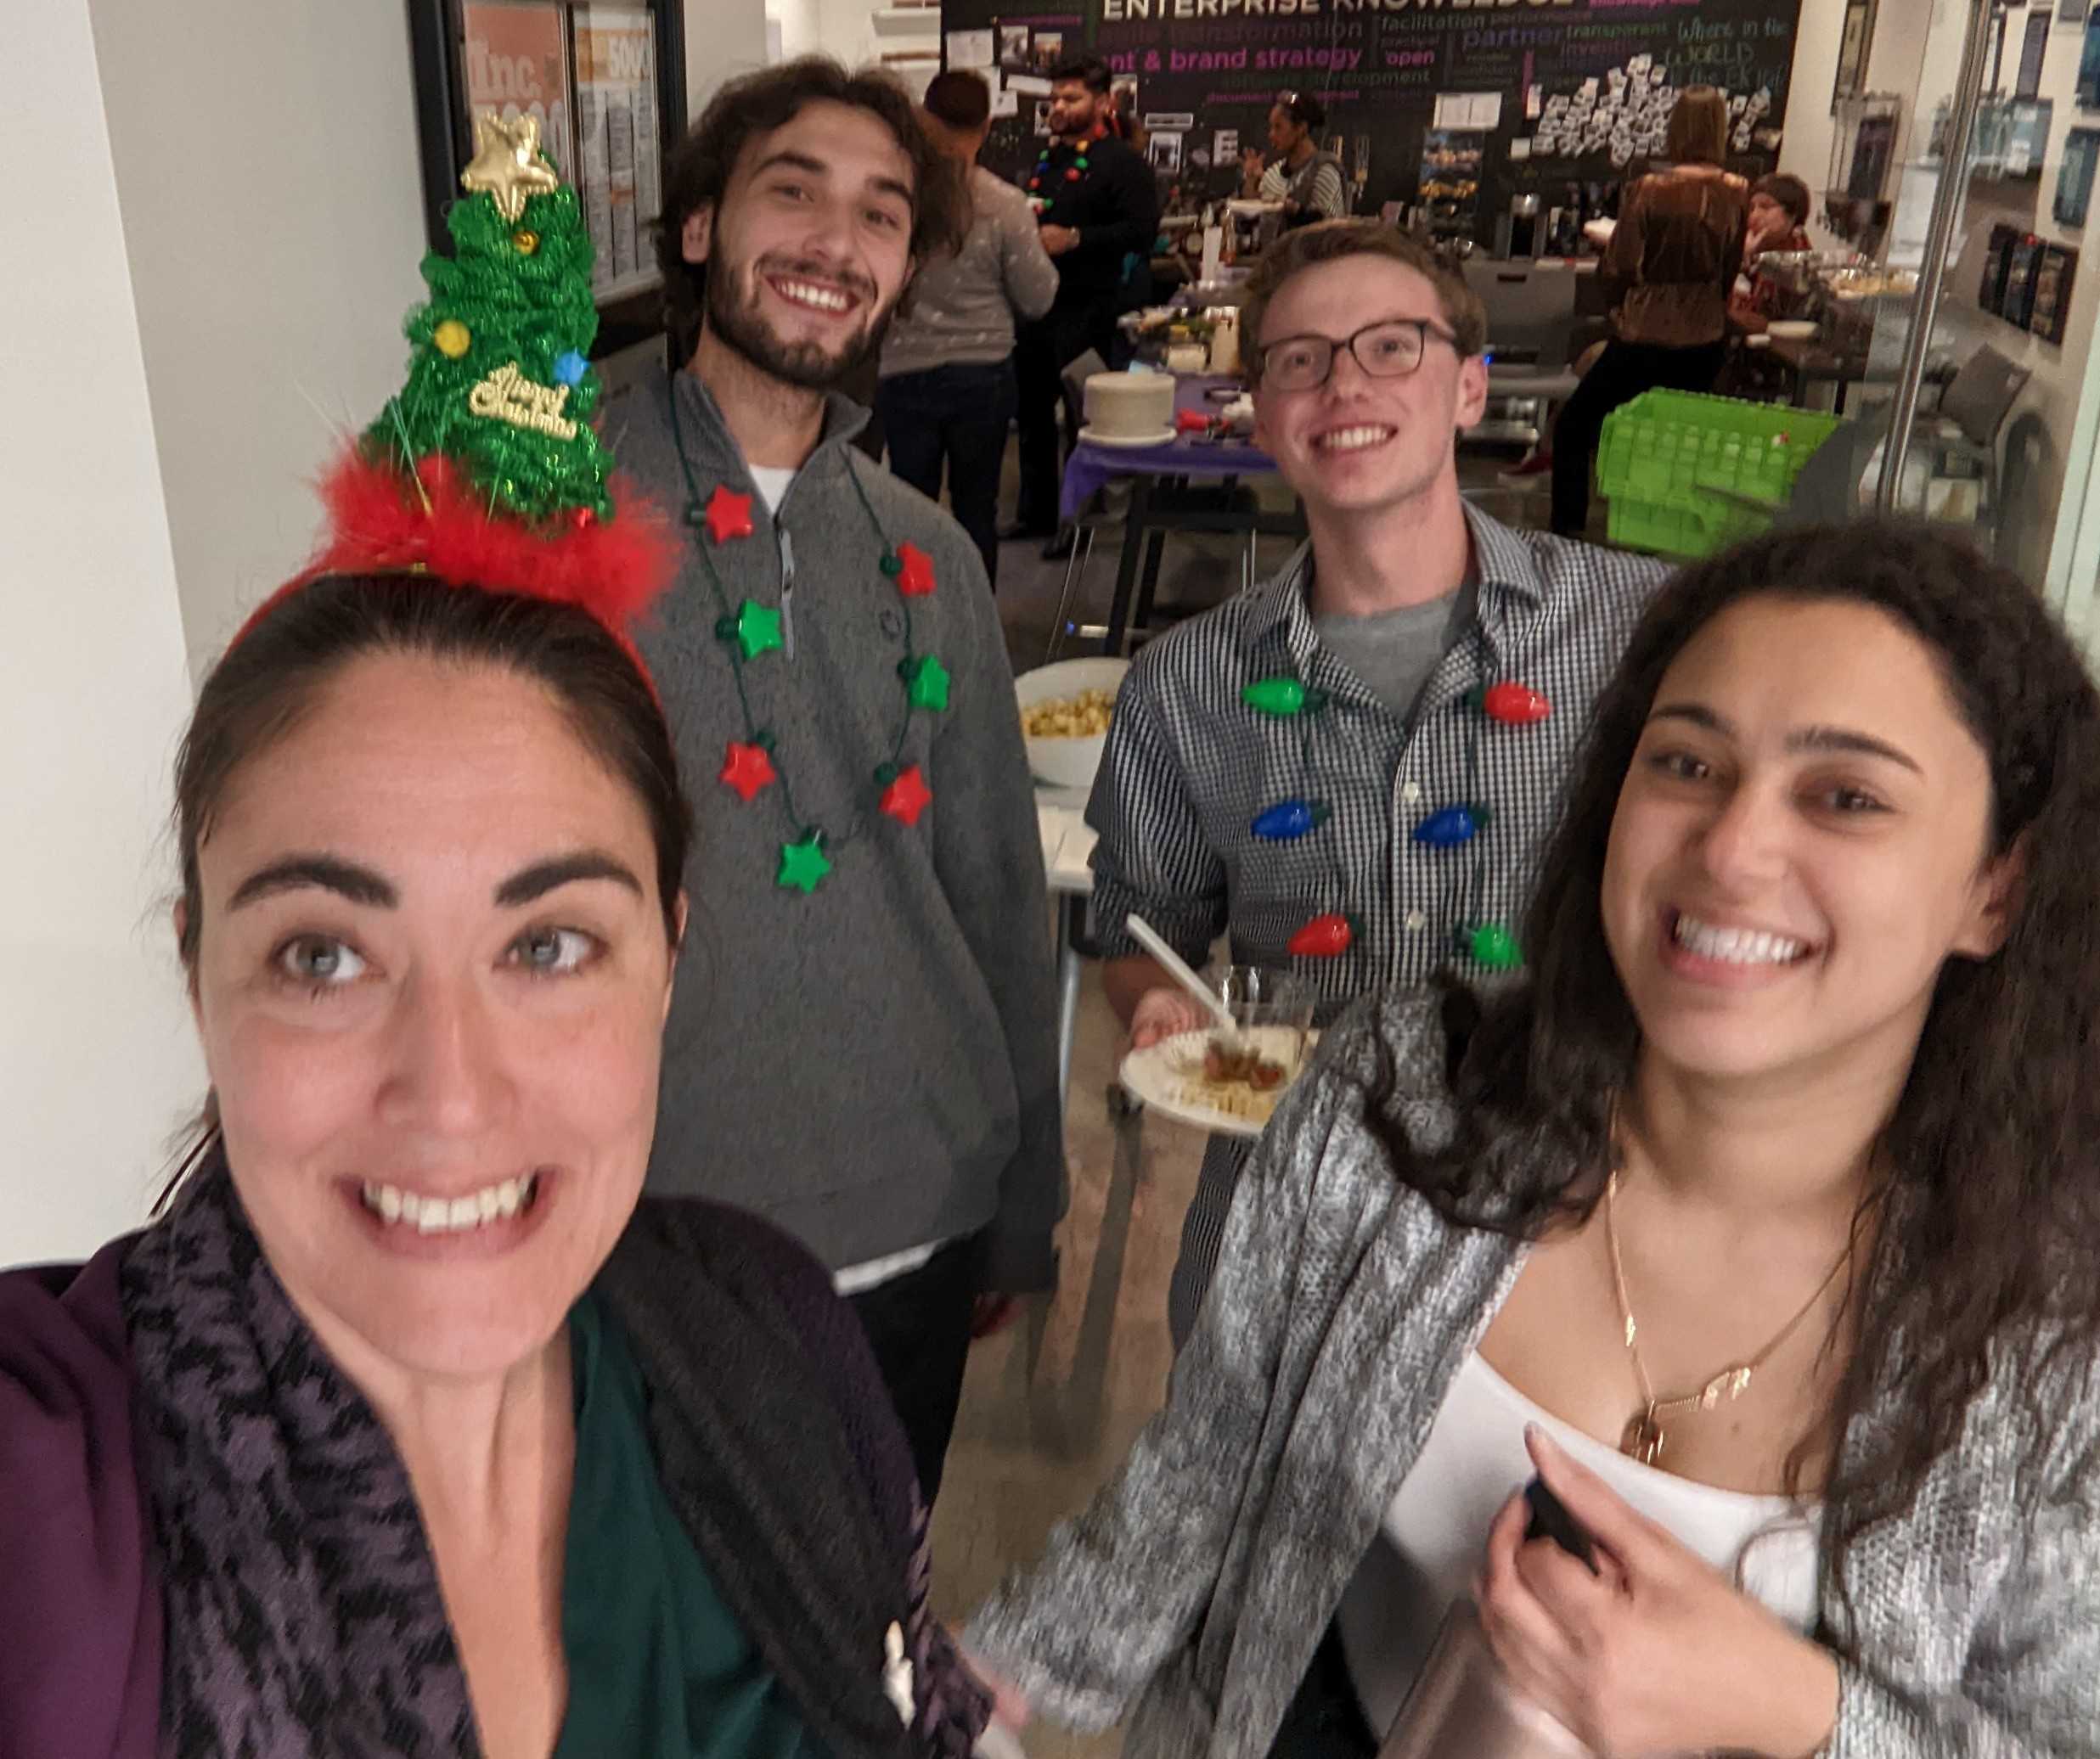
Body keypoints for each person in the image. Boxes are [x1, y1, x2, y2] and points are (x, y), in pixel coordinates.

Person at [0, 134, 991, 1756]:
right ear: (197, 970)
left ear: (669, 951)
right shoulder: (54, 1492)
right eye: (324, 955)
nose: (449, 1095)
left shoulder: (770, 1331)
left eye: (546, 944)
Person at [969, 518, 2100, 1758]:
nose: (1731, 849)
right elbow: (1209, 1469)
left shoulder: (2056, 1336)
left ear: (1996, 886)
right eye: (1686, 763)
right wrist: (987, 1674)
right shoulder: (1401, 1099)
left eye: (1846, 797)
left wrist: (1799, 1710)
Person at [1084, 218, 1667, 1346]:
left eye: (1391, 346)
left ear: (1468, 387)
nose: (1344, 384)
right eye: (1299, 359)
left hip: (1563, 1226)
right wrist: (1155, 1003)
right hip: (1287, 1222)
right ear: (1261, 413)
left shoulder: (1630, 631)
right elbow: (1136, 929)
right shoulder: (1183, 684)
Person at [633, 57, 1065, 1503]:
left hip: (912, 1224)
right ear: (701, 225)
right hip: (644, 1231)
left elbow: (996, 886)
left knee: (875, 1607)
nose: (835, 241)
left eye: (881, 214)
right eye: (793, 191)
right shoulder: (551, 511)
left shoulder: (928, 553)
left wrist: (1021, 1202)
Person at [878, 70, 1058, 592]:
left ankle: (910, 619)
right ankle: (974, 624)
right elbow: (1038, 297)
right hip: (981, 376)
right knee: (976, 508)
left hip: (903, 371)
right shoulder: (1003, 204)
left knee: (908, 508)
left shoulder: (894, 198)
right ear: (986, 125)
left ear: (924, 119)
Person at [1549, 87, 1750, 537]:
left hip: (1647, 330)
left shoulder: (1651, 189)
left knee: (1575, 427)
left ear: (1675, 128)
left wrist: (1619, 305)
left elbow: (1620, 264)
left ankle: (1567, 533)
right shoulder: (1737, 191)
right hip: (1705, 335)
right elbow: (1731, 266)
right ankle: (1664, 534)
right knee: (1677, 437)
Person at [1009, 55, 1161, 554]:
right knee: (1032, 418)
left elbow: (1142, 232)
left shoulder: (1123, 163)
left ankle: (1077, 525)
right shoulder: (1050, 159)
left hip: (1090, 308)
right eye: (1054, 98)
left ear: (1103, 102)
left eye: (1070, 98)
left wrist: (1075, 238)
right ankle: (1035, 514)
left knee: (1082, 422)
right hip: (1035, 307)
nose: (1057, 107)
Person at [1731, 170, 1815, 331]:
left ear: (1793, 215)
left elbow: (1769, 321)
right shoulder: (1756, 248)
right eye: (1752, 208)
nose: (1754, 216)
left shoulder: (1795, 257)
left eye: (1765, 207)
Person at [1258, 90, 1348, 225]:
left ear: (1301, 129)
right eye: (1271, 127)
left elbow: (1326, 227)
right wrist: (1251, 181)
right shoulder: (1274, 173)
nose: (1271, 135)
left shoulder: (1325, 172)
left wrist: (1296, 211)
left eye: (1278, 127)